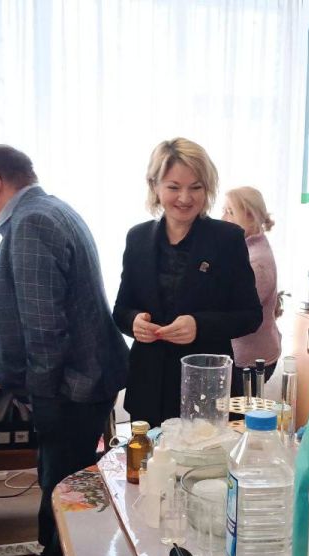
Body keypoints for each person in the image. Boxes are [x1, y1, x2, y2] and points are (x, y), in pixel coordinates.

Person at [0, 144, 128, 556]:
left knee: (68, 488)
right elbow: (44, 289)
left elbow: (45, 326)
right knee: (55, 481)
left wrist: (43, 398)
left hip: (71, 387)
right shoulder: (48, 210)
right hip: (78, 380)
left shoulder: (30, 223)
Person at [113, 138, 261, 427]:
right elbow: (121, 310)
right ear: (155, 186)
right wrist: (134, 322)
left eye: (196, 187)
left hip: (206, 387)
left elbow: (250, 315)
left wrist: (199, 325)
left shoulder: (228, 239)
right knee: (150, 457)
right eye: (173, 187)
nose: (185, 198)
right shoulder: (138, 238)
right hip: (148, 386)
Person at [220, 186, 281, 396]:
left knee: (238, 412)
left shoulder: (257, 261)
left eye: (230, 212)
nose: (223, 218)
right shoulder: (246, 247)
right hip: (248, 353)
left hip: (251, 358)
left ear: (250, 216)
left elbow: (235, 308)